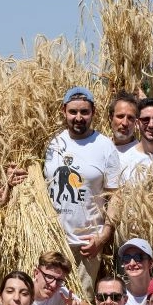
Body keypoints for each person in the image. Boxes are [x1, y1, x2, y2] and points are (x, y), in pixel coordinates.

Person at [44, 87, 120, 290]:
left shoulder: (105, 146)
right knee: (49, 302)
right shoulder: (52, 143)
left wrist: (103, 237)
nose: (78, 117)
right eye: (73, 112)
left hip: (86, 246)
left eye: (84, 112)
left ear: (93, 112)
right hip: (53, 241)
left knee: (80, 303)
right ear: (64, 111)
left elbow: (115, 197)